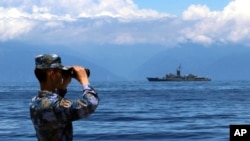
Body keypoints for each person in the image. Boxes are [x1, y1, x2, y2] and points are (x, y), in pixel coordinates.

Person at [30, 54, 99, 141]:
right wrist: (84, 81)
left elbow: (51, 103)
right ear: (51, 73)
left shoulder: (34, 102)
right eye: (60, 71)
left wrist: (62, 88)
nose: (61, 75)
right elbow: (91, 103)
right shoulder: (57, 107)